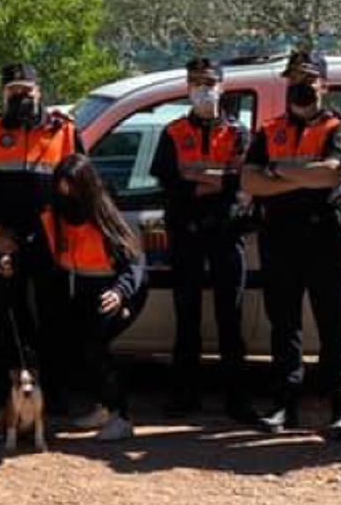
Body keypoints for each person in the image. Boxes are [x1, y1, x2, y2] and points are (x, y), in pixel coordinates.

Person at [241, 51, 341, 440]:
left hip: (323, 233)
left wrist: (276, 173)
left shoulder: (339, 126)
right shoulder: (269, 129)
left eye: (308, 80)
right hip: (279, 235)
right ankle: (284, 405)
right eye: (293, 80)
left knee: (332, 324)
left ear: (325, 85)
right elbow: (249, 182)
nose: (300, 87)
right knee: (284, 324)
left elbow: (330, 175)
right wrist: (299, 176)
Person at [151, 58, 260, 425]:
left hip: (226, 234)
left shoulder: (239, 132)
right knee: (187, 318)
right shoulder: (173, 132)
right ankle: (185, 395)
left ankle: (237, 398)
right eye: (196, 82)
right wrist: (215, 179)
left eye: (209, 82)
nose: (203, 89)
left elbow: (243, 180)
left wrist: (200, 177)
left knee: (231, 318)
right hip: (186, 233)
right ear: (187, 87)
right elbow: (168, 180)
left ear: (222, 87)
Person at [0, 63, 82, 415]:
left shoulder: (64, 130)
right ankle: (8, 393)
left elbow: (80, 184)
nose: (20, 98)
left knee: (55, 317)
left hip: (51, 240)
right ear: (3, 95)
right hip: (3, 240)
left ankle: (57, 392)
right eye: (12, 92)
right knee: (7, 317)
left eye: (26, 91)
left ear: (39, 91)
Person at [43, 154, 147, 441]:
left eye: (72, 189)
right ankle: (104, 406)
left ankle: (121, 416)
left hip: (115, 290)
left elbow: (135, 262)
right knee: (76, 347)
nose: (66, 196)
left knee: (96, 347)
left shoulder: (104, 215)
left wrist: (120, 293)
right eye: (62, 189)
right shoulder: (55, 214)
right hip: (85, 288)